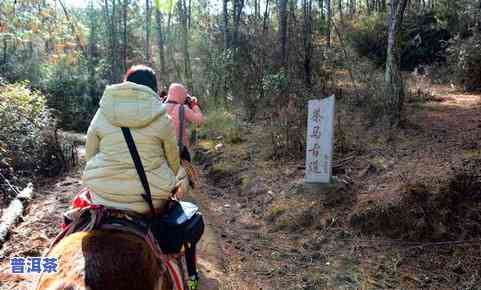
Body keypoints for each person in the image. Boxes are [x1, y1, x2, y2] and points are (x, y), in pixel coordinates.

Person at [82, 65, 188, 214]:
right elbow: (173, 163)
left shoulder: (102, 111)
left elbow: (90, 155)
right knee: (182, 179)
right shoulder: (162, 116)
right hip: (151, 198)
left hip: (102, 195)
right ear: (153, 88)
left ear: (126, 83)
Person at [164, 83, 205, 161]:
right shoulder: (182, 108)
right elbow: (200, 120)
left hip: (163, 152)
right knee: (186, 172)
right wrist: (193, 104)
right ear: (181, 95)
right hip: (180, 151)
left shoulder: (160, 107)